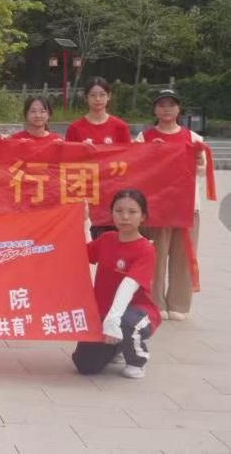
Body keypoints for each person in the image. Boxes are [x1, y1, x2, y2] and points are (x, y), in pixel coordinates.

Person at [72, 189, 160, 379]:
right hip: (105, 312)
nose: (125, 217)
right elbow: (85, 252)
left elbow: (129, 285)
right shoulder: (107, 239)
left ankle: (137, 360)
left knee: (127, 322)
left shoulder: (146, 249)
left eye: (132, 212)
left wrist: (113, 319)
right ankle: (118, 346)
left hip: (136, 312)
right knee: (85, 365)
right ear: (112, 213)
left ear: (143, 216)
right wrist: (85, 222)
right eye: (119, 211)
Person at [135, 89, 205, 321]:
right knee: (155, 257)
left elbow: (202, 171)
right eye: (161, 105)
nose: (166, 109)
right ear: (155, 109)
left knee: (183, 257)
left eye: (171, 105)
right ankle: (154, 301)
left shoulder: (194, 138)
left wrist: (198, 160)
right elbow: (135, 168)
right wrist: (149, 152)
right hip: (156, 208)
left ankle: (178, 304)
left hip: (187, 208)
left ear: (179, 109)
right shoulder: (144, 137)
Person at [65, 77, 132, 145]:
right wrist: (82, 149)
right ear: (86, 97)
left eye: (102, 95)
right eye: (93, 95)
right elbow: (68, 151)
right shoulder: (74, 128)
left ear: (109, 96)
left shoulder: (121, 127)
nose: (98, 99)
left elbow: (128, 151)